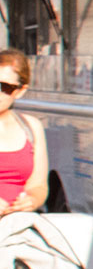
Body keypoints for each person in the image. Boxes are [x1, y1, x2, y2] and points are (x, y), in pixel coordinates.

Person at [0, 49, 49, 215]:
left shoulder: (31, 127)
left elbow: (38, 184)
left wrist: (32, 200)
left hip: (16, 229)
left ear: (20, 91)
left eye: (4, 87)